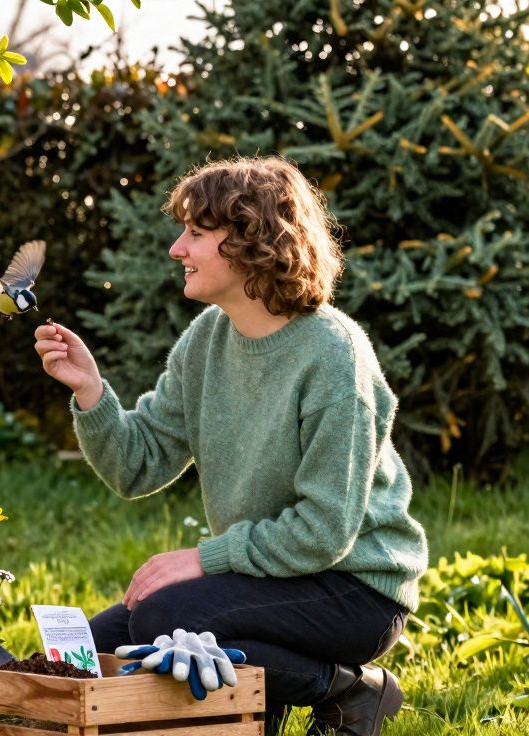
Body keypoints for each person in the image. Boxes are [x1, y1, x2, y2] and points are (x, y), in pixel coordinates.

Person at [33, 156, 428, 736]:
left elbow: (324, 531)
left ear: (252, 243)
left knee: (168, 618)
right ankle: (249, 715)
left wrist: (201, 560)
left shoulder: (333, 356)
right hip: (268, 577)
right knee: (97, 646)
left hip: (354, 589)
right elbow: (138, 466)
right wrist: (92, 393)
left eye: (196, 233)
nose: (176, 249)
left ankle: (347, 690)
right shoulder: (208, 339)